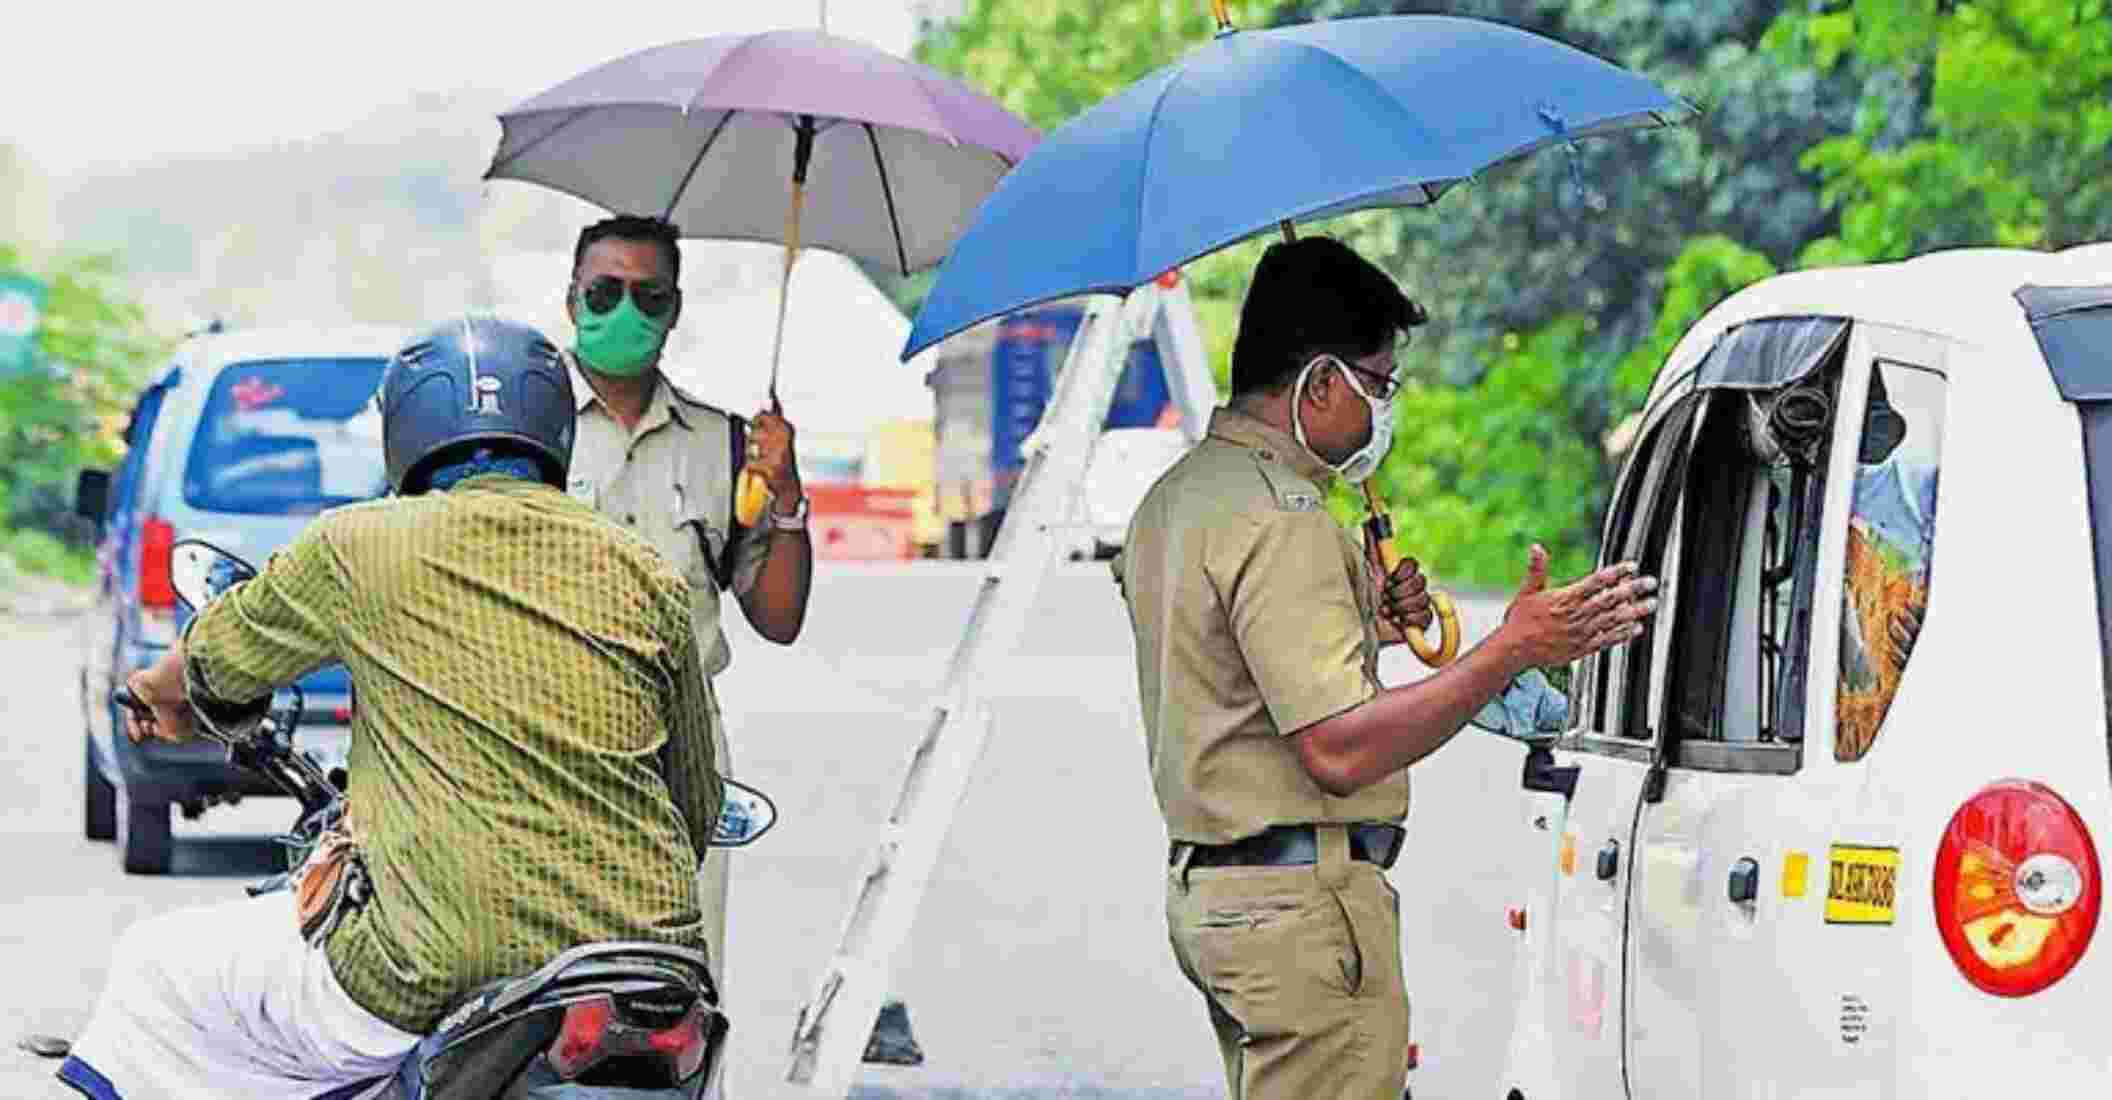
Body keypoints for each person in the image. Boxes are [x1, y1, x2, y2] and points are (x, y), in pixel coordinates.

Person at [58, 316, 725, 1099]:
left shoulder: (359, 546)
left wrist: (153, 695)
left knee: (158, 966)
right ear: (553, 430)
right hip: (652, 977)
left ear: (403, 431)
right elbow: (697, 802)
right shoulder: (643, 568)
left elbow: (214, 658)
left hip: (431, 969)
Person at [1111, 236, 1659, 1100]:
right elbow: (1339, 750)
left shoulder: (1183, 497)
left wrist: (1363, 617)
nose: (1387, 409)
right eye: (1380, 383)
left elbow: (1229, 659)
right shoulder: (1283, 520)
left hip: (1221, 900)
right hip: (1298, 909)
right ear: (1320, 383)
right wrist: (1511, 649)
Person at [557, 214, 924, 1065]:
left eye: (646, 296)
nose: (624, 310)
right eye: (604, 292)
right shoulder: (529, 432)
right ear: (571, 299)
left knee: (675, 1002)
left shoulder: (725, 445)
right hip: (548, 748)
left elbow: (778, 616)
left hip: (676, 759)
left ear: (674, 309)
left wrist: (785, 489)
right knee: (550, 1002)